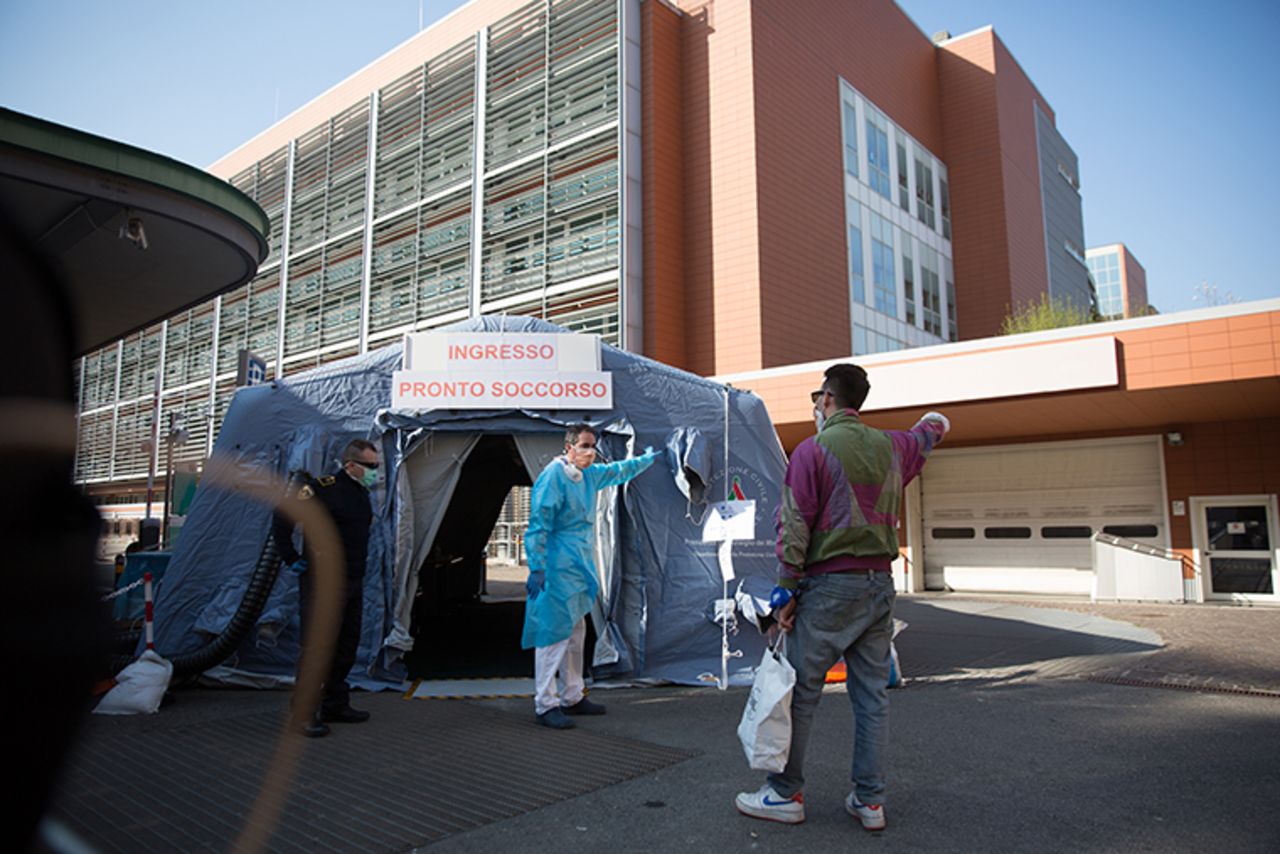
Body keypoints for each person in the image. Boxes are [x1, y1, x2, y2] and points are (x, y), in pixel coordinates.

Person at [735, 363, 949, 831]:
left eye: (817, 397)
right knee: (872, 697)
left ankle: (785, 793)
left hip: (828, 588)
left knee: (803, 692)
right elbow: (933, 428)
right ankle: (870, 802)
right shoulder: (895, 447)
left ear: (827, 399)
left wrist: (785, 592)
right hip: (879, 586)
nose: (815, 406)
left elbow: (793, 526)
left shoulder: (812, 451)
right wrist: (928, 427)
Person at [522, 424, 660, 729]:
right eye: (584, 445)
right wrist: (537, 565)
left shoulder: (587, 475)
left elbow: (615, 472)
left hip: (578, 566)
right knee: (553, 636)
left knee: (575, 633)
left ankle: (572, 695)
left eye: (593, 445)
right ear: (568, 447)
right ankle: (545, 704)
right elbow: (538, 524)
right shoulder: (553, 477)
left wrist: (644, 461)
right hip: (556, 569)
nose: (590, 451)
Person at [273, 438, 380, 738]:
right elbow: (283, 516)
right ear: (351, 465)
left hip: (352, 580)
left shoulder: (361, 493)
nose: (376, 471)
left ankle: (335, 703)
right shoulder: (323, 488)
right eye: (371, 466)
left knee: (346, 645)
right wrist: (291, 557)